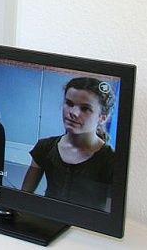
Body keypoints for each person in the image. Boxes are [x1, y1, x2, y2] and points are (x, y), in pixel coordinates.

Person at [21, 76, 116, 210]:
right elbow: (23, 197)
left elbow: (110, 215)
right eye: (69, 103)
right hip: (47, 218)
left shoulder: (111, 160)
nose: (73, 113)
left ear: (102, 117)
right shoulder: (45, 147)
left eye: (85, 108)